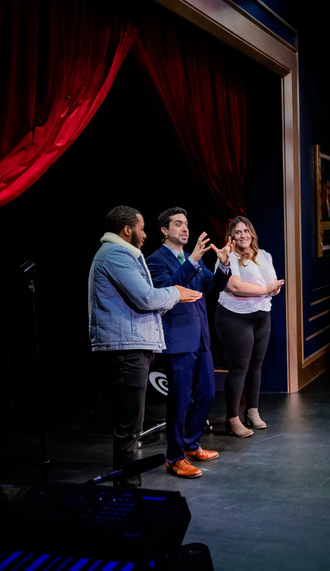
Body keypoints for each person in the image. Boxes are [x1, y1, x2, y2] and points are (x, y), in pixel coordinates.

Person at [88, 205, 202, 487]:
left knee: (131, 428)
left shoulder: (121, 254)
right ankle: (128, 491)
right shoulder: (116, 254)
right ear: (127, 229)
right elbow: (146, 298)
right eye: (141, 228)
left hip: (131, 346)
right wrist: (176, 292)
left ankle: (128, 488)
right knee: (129, 430)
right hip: (126, 350)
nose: (144, 234)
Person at [147, 207, 231, 479]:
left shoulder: (190, 258)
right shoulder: (156, 260)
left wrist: (224, 266)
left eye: (186, 224)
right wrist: (192, 260)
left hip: (201, 337)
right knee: (179, 400)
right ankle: (174, 457)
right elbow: (167, 290)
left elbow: (212, 286)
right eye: (178, 224)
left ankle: (191, 444)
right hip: (178, 339)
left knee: (206, 393)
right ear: (164, 230)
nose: (185, 229)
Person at [214, 216, 285, 438]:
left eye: (246, 231)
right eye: (237, 232)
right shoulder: (227, 258)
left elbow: (274, 285)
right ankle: (232, 418)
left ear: (252, 233)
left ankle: (252, 411)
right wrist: (266, 288)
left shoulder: (264, 255)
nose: (243, 235)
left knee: (256, 365)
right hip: (234, 317)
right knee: (239, 367)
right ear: (231, 237)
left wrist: (271, 289)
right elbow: (235, 286)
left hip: (261, 315)